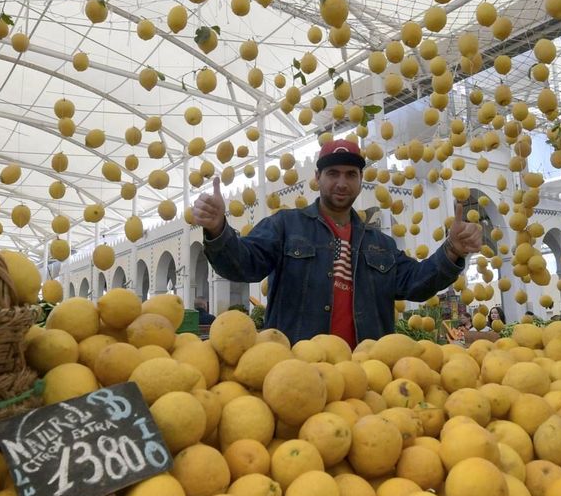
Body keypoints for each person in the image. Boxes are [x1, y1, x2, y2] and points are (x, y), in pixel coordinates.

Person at [191, 139, 482, 346]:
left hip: (365, 375)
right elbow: (244, 265)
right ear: (317, 178)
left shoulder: (380, 244)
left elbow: (416, 283)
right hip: (295, 371)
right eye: (332, 173)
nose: (341, 182)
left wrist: (452, 250)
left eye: (350, 175)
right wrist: (218, 229)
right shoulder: (285, 226)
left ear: (359, 181)